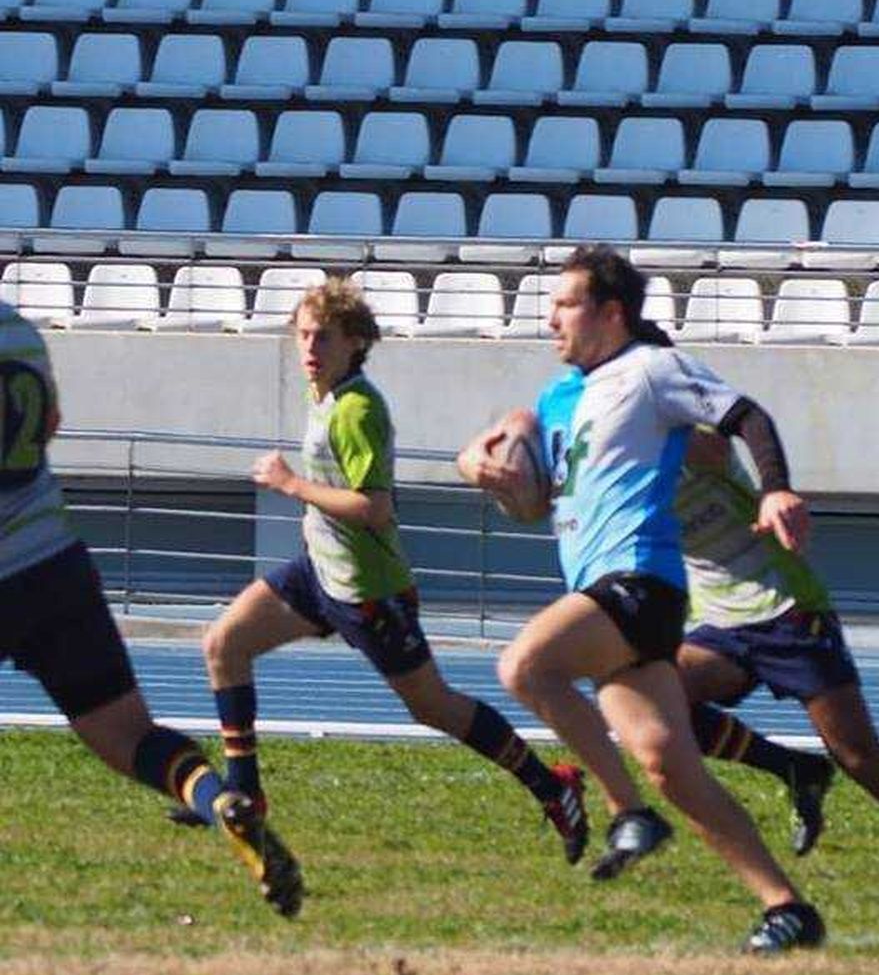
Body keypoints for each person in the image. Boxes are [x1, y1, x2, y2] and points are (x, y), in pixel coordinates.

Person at [457, 245, 826, 954]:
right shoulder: (560, 396)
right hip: (602, 590)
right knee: (670, 762)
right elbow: (538, 502)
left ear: (611, 313)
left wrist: (776, 485)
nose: (550, 317)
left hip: (639, 581)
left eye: (565, 304)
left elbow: (745, 415)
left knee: (526, 668)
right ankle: (787, 908)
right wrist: (485, 467)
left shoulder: (651, 370)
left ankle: (628, 811)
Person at [177, 279, 590, 866]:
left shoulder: (358, 409)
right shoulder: (322, 393)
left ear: (355, 342)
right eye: (303, 335)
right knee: (224, 643)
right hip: (320, 573)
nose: (310, 347)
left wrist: (292, 484)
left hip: (369, 592)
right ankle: (244, 793)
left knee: (435, 708)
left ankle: (553, 787)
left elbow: (375, 508)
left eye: (323, 336)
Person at [0, 298, 302, 917]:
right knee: (129, 734)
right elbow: (49, 420)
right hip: (53, 565)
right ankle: (216, 799)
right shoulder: (22, 335)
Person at [673, 428, 879, 932]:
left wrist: (637, 432)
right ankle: (792, 768)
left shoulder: (676, 425)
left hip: (786, 610)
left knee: (861, 758)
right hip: (718, 626)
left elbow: (715, 447)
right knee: (659, 700)